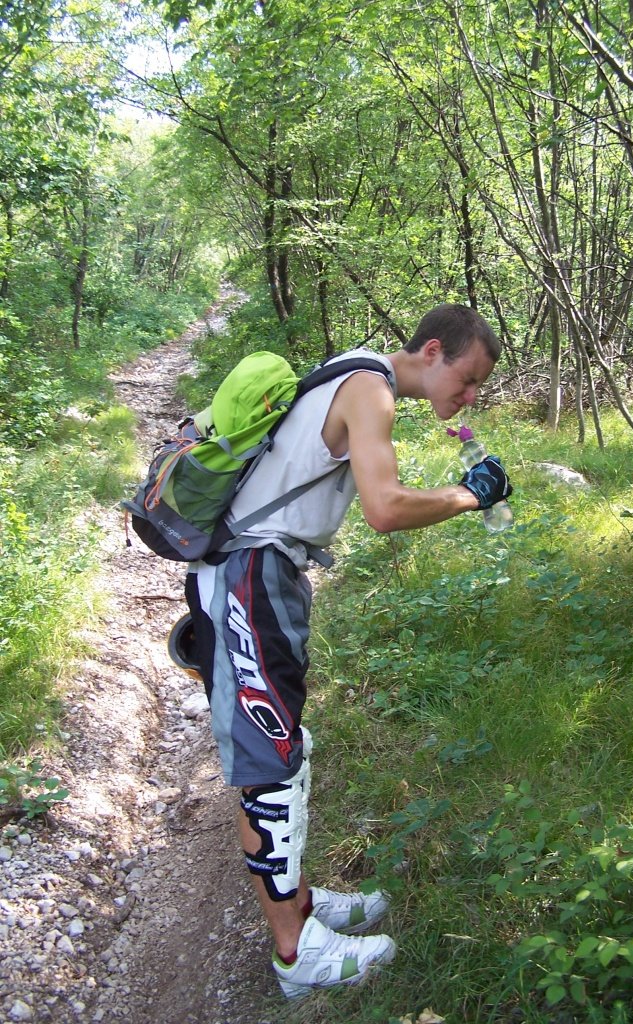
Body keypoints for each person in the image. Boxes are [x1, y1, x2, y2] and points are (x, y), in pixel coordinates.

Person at [182, 303, 512, 1000]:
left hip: (257, 571)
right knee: (270, 763)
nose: (471, 397)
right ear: (432, 351)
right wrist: (469, 495)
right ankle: (294, 953)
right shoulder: (372, 391)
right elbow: (384, 509)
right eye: (469, 379)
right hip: (249, 574)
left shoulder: (355, 369)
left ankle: (299, 903)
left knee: (285, 750)